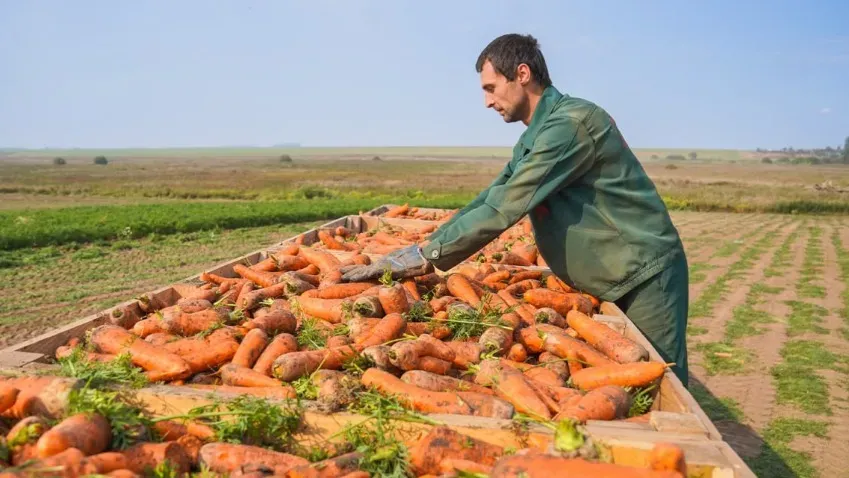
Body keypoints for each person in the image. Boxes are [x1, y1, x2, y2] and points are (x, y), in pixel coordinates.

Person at [342, 33, 690, 386]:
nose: (487, 102)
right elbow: (491, 197)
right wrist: (420, 250)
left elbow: (506, 206)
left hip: (644, 273)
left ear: (522, 74)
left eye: (491, 88)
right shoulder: (538, 134)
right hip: (616, 273)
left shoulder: (569, 125)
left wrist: (427, 255)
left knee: (659, 381)